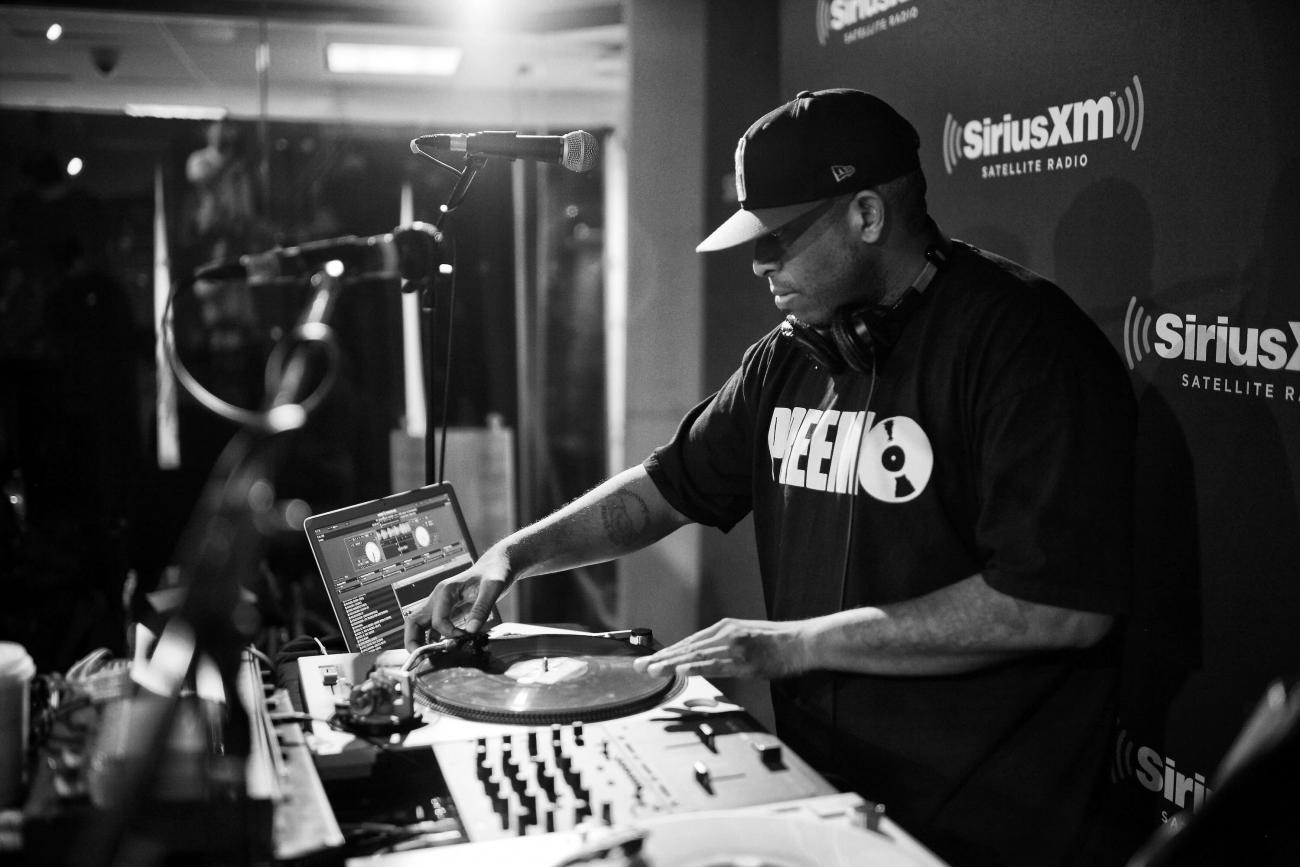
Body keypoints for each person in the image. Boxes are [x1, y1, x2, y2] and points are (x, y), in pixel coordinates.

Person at [404, 89, 1137, 867]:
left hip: (993, 825)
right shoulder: (790, 356)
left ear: (867, 215)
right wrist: (514, 554)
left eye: (779, 237)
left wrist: (788, 646)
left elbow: (1057, 606)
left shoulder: (1024, 344)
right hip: (833, 797)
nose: (757, 262)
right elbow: (662, 490)